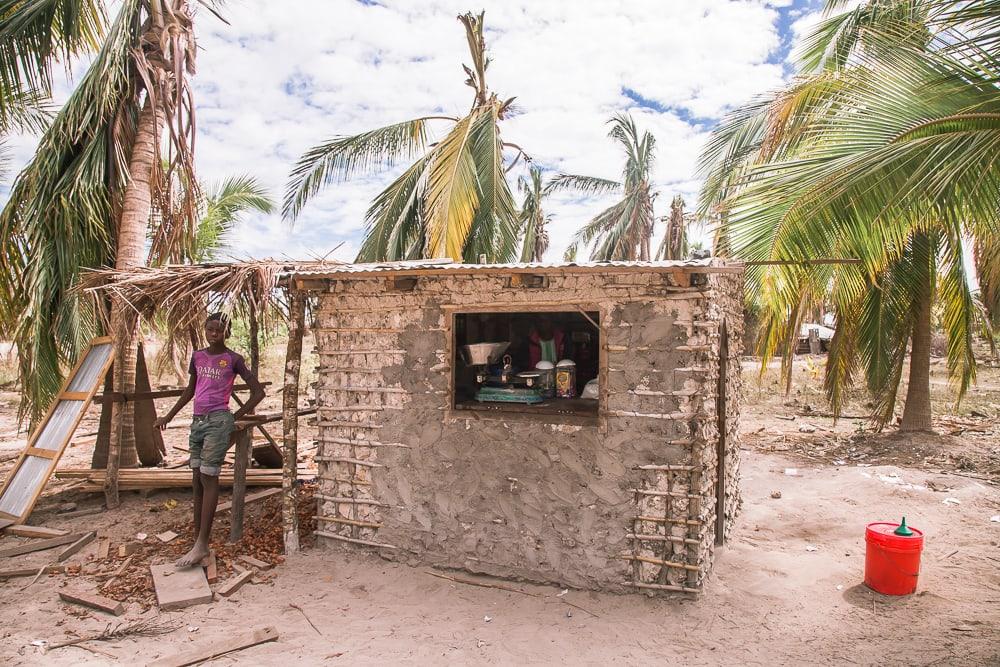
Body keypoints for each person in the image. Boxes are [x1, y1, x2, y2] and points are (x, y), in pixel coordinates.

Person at [154, 313, 265, 568]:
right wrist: (168, 415)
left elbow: (258, 392)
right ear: (205, 331)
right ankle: (197, 541)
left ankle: (202, 543)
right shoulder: (198, 357)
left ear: (227, 333)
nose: (214, 333)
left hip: (217, 420)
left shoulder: (233, 360)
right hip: (198, 421)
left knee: (208, 476)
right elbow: (190, 390)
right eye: (210, 329)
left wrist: (233, 417)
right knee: (196, 479)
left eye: (219, 330)